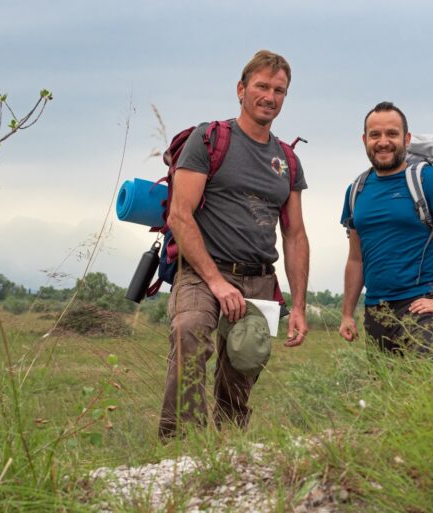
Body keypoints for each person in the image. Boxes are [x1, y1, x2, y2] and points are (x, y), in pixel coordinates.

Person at [158, 50, 309, 440]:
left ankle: (228, 451)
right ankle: (179, 449)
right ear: (241, 90)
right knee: (189, 332)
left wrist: (298, 306)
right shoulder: (209, 139)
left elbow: (294, 235)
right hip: (204, 272)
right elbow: (180, 215)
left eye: (279, 90)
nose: (270, 96)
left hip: (259, 281)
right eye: (262, 86)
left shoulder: (287, 160)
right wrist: (217, 282)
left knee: (241, 370)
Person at [338, 101, 433, 354]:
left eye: (392, 134)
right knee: (386, 393)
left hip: (423, 309)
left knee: (429, 391)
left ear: (406, 138)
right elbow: (356, 259)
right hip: (376, 313)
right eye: (375, 135)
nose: (383, 141)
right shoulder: (356, 191)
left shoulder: (427, 179)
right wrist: (347, 313)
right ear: (364, 139)